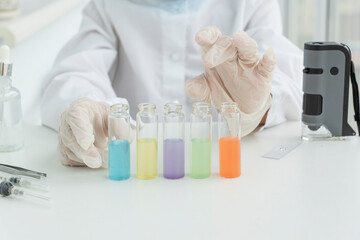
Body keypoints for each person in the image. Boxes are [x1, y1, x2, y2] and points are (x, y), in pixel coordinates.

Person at [41, 0, 303, 168]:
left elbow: (291, 75)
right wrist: (91, 109)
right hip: (137, 176)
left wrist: (261, 104)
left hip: (228, 178)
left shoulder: (251, 4)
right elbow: (76, 73)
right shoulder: (108, 7)